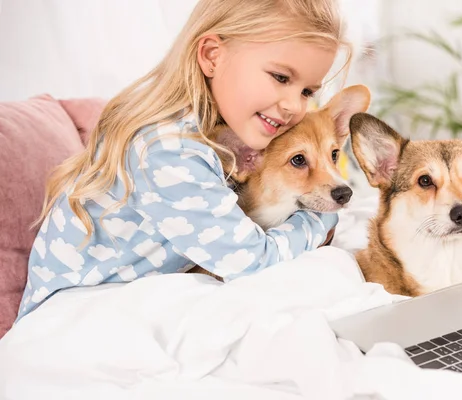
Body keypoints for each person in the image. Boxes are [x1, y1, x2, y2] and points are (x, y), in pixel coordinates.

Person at [18, 0, 352, 320]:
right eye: (281, 77)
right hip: (75, 319)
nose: (294, 105)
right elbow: (252, 262)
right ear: (211, 56)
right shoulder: (168, 150)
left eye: (307, 92)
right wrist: (319, 218)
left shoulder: (202, 135)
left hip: (119, 305)